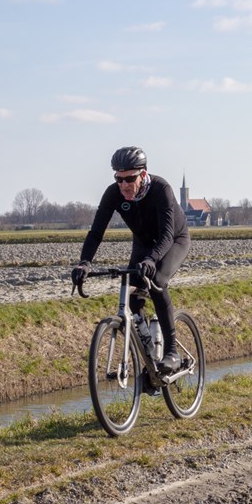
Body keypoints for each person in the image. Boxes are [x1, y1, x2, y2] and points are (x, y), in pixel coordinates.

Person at [71, 146, 190, 375]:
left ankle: (172, 351)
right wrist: (84, 262)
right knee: (133, 297)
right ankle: (149, 360)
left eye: (129, 178)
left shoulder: (160, 188)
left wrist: (152, 260)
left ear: (143, 174)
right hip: (143, 243)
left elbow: (166, 235)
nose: (124, 184)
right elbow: (96, 233)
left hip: (174, 240)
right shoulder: (113, 194)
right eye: (119, 178)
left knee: (156, 282)